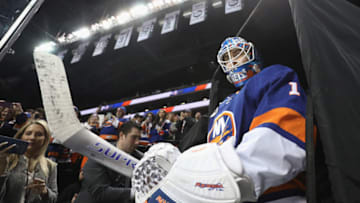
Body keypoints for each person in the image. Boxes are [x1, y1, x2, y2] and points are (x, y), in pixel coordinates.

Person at [133, 36, 307, 203]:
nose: (232, 61)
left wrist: (219, 182)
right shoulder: (220, 107)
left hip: (275, 194)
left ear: (252, 53)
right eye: (227, 58)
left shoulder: (271, 76)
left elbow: (283, 139)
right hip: (223, 192)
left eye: (236, 54)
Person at [75, 121, 143, 203]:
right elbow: (100, 193)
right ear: (122, 135)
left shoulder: (140, 159)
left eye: (139, 138)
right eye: (133, 137)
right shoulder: (99, 154)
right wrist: (136, 193)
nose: (137, 142)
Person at [0, 119, 58, 203]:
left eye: (39, 134)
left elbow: (54, 198)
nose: (32, 137)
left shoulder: (51, 165)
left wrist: (45, 192)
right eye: (28, 133)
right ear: (21, 136)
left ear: (45, 139)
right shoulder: (7, 159)